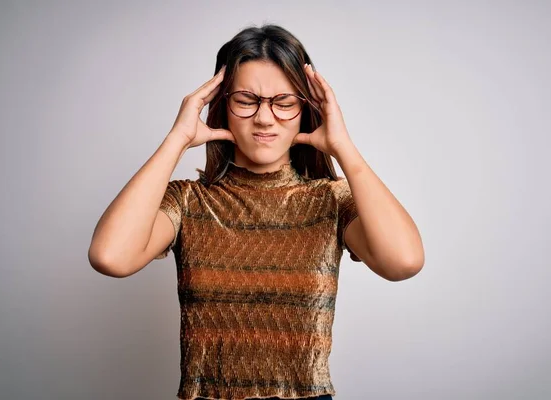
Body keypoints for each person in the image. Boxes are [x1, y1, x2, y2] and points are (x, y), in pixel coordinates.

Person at [88, 24, 424, 400]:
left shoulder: (330, 200)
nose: (265, 118)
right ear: (222, 106)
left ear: (305, 109)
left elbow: (404, 262)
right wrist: (176, 139)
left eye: (284, 102)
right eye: (247, 100)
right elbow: (109, 256)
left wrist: (343, 148)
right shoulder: (188, 201)